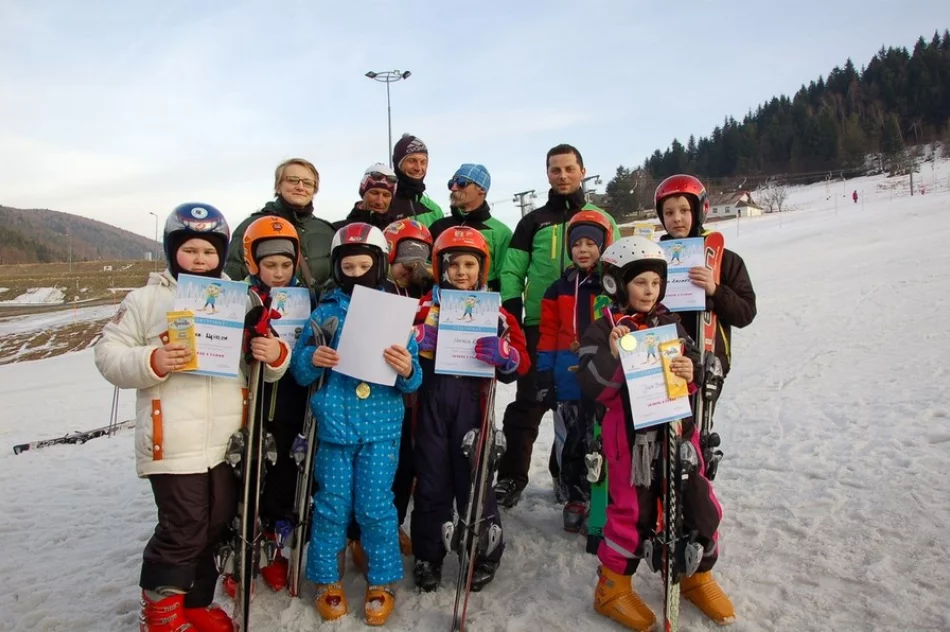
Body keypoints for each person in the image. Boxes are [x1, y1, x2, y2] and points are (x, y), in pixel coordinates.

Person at [94, 203, 291, 632]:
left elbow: (272, 356)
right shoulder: (146, 300)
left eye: (208, 251)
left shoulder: (239, 297)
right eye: (190, 250)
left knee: (217, 522)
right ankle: (162, 614)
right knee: (183, 527)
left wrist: (272, 353)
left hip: (224, 439)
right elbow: (108, 355)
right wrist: (154, 359)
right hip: (175, 437)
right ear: (171, 251)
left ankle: (197, 602)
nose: (200, 260)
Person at [576, 235, 734, 630]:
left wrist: (691, 371)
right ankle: (612, 587)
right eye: (640, 282)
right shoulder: (602, 329)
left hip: (677, 431)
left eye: (656, 283)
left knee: (697, 501)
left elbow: (694, 365)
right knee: (633, 512)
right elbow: (592, 386)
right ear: (617, 284)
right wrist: (613, 359)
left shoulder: (670, 322)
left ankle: (697, 573)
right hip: (629, 438)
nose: (650, 291)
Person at [290, 222, 422, 625]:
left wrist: (406, 368)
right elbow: (299, 368)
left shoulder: (396, 312)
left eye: (365, 265)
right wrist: (312, 361)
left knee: (376, 505)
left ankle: (381, 579)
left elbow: (414, 377)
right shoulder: (325, 310)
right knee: (331, 505)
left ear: (379, 265)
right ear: (337, 267)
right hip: (336, 425)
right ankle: (326, 579)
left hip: (381, 427)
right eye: (348, 267)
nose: (357, 273)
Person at [495, 143, 621, 508]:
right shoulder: (533, 221)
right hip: (542, 322)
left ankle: (567, 476)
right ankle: (512, 477)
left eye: (569, 168)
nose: (562, 175)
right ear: (547, 174)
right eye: (555, 170)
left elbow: (617, 265)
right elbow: (513, 269)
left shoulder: (603, 219)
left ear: (582, 171)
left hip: (594, 326)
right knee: (531, 401)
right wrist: (511, 313)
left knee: (585, 405)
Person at [410, 227, 530, 593]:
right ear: (439, 267)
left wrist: (505, 356)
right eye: (453, 265)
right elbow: (393, 348)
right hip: (430, 405)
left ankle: (483, 553)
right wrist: (415, 340)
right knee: (431, 483)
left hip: (473, 407)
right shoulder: (424, 306)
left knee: (475, 483)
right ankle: (428, 554)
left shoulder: (496, 313)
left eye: (469, 264)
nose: (462, 272)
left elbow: (521, 362)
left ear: (482, 268)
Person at [221, 215, 312, 596]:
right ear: (252, 262)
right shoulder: (238, 297)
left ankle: (274, 551)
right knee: (244, 482)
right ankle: (237, 556)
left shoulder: (306, 299)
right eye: (269, 264)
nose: (278, 272)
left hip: (289, 404)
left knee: (282, 482)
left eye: (285, 265)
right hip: (247, 405)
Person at [345, 218, 435, 573]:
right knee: (374, 467)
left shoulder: (427, 291)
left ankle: (390, 524)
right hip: (373, 396)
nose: (412, 269)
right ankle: (357, 534)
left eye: (420, 261)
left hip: (414, 390)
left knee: (406, 465)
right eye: (404, 261)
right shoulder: (375, 291)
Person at [654, 174, 756, 476]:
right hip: (663, 356)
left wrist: (715, 290)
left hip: (709, 358)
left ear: (699, 210)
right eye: (669, 213)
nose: (677, 219)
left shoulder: (726, 260)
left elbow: (745, 313)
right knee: (662, 433)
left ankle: (696, 498)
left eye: (684, 210)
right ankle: (663, 502)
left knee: (696, 428)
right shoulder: (654, 259)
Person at [535, 210, 614, 532]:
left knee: (604, 439)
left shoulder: (611, 284)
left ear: (602, 246)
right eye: (577, 244)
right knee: (571, 440)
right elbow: (548, 334)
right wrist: (544, 374)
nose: (583, 250)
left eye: (590, 244)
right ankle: (575, 496)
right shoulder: (558, 289)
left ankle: (604, 498)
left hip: (605, 375)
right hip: (567, 377)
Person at [224, 158, 336, 298]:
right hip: (262, 315)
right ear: (278, 186)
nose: (300, 187)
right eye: (292, 180)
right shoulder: (251, 226)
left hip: (315, 316)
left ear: (314, 190)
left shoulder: (327, 232)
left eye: (307, 183)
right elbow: (234, 279)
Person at [429, 163, 512, 291]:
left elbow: (507, 278)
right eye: (451, 183)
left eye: (462, 182)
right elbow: (428, 268)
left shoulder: (500, 232)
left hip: (483, 306)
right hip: (441, 305)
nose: (454, 188)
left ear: (482, 189)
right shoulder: (438, 226)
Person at [386, 134, 444, 226]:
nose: (418, 168)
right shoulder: (384, 204)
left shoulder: (434, 210)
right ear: (398, 164)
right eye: (412, 161)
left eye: (423, 162)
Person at [334, 164, 399, 231]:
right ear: (363, 194)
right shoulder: (338, 230)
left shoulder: (398, 232)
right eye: (374, 193)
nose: (379, 201)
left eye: (386, 195)